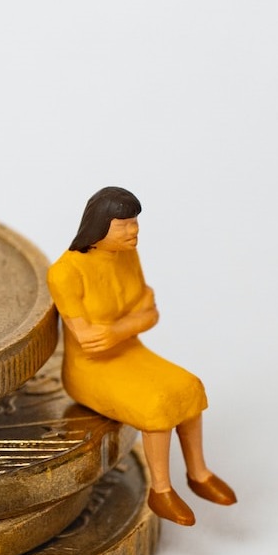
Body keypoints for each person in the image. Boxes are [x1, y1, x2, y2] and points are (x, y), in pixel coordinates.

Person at [46, 186, 237, 527]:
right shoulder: (66, 272)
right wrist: (130, 322)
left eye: (135, 223)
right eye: (124, 225)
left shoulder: (128, 256)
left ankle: (198, 473)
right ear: (100, 227)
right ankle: (160, 490)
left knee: (190, 387)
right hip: (90, 370)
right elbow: (90, 341)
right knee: (157, 402)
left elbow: (151, 315)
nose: (133, 232)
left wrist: (118, 328)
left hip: (130, 352)